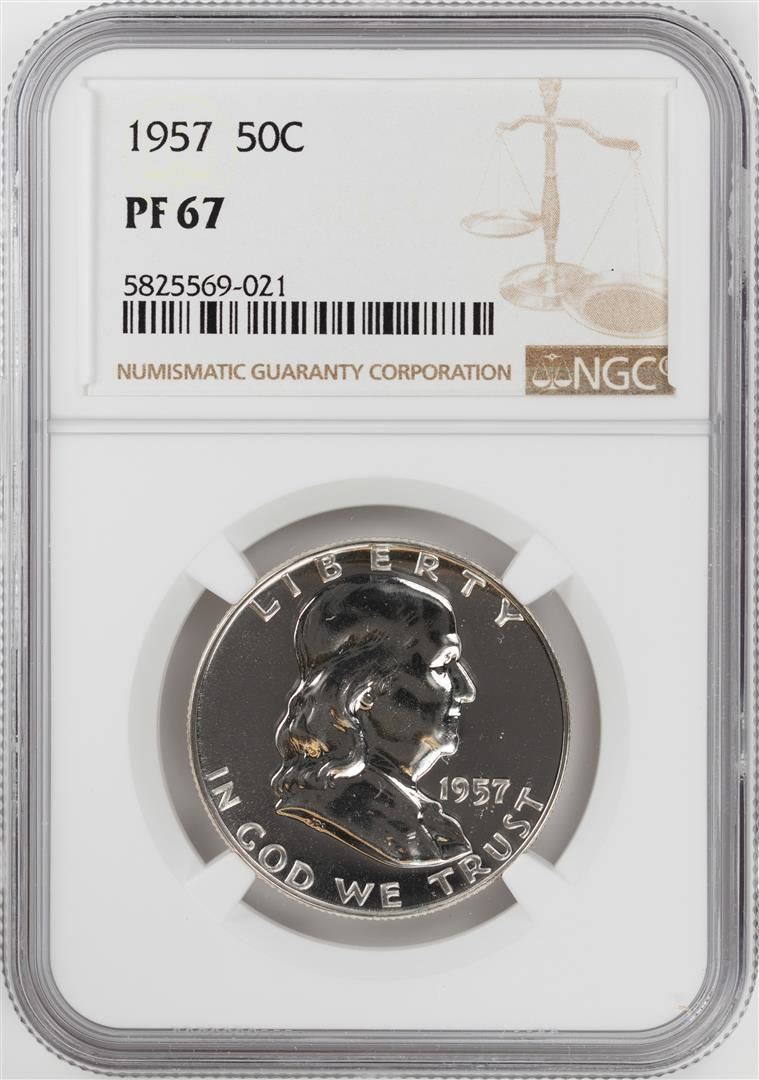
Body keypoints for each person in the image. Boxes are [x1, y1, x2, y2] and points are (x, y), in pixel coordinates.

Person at [272, 573, 477, 867]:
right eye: (443, 665)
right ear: (364, 692)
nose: (466, 690)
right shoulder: (349, 812)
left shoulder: (421, 818)